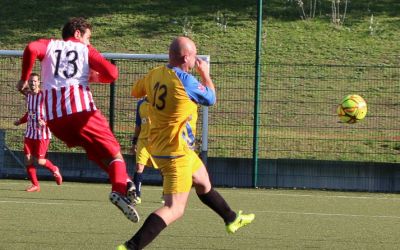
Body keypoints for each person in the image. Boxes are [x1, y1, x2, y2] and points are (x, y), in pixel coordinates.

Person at [119, 36, 255, 249]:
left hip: (168, 146)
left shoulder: (155, 73)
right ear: (185, 57)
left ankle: (231, 219)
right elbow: (211, 98)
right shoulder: (186, 80)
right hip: (175, 153)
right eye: (194, 55)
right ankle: (130, 247)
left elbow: (136, 91)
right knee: (174, 208)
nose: (197, 58)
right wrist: (205, 74)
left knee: (203, 182)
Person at [16, 17, 139, 222]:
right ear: (78, 34)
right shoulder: (86, 51)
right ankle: (119, 188)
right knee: (116, 154)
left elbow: (30, 48)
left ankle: (124, 181)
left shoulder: (49, 45)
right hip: (82, 114)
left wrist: (24, 78)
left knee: (100, 155)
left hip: (55, 120)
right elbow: (113, 73)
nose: (89, 42)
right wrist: (95, 77)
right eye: (88, 37)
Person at [14, 72, 63, 192]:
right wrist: (20, 121)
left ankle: (54, 169)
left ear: (39, 82)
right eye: (30, 81)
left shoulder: (45, 96)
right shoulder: (29, 95)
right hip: (30, 133)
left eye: (34, 81)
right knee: (28, 158)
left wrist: (45, 123)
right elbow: (30, 113)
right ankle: (35, 185)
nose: (32, 83)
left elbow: (54, 114)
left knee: (40, 161)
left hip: (42, 134)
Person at [130, 97, 157, 204]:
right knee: (139, 166)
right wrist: (134, 142)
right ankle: (137, 195)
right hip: (143, 141)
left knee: (164, 168)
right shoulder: (141, 104)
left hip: (157, 141)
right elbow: (138, 125)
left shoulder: (160, 102)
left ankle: (166, 194)